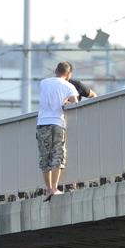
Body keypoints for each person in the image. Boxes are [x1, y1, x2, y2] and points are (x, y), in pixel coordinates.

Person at [37, 61, 79, 201]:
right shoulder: (69, 85)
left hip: (42, 122)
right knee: (58, 154)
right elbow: (74, 102)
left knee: (45, 156)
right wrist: (65, 101)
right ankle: (55, 188)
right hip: (58, 122)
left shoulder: (43, 83)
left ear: (56, 71)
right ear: (69, 74)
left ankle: (48, 189)